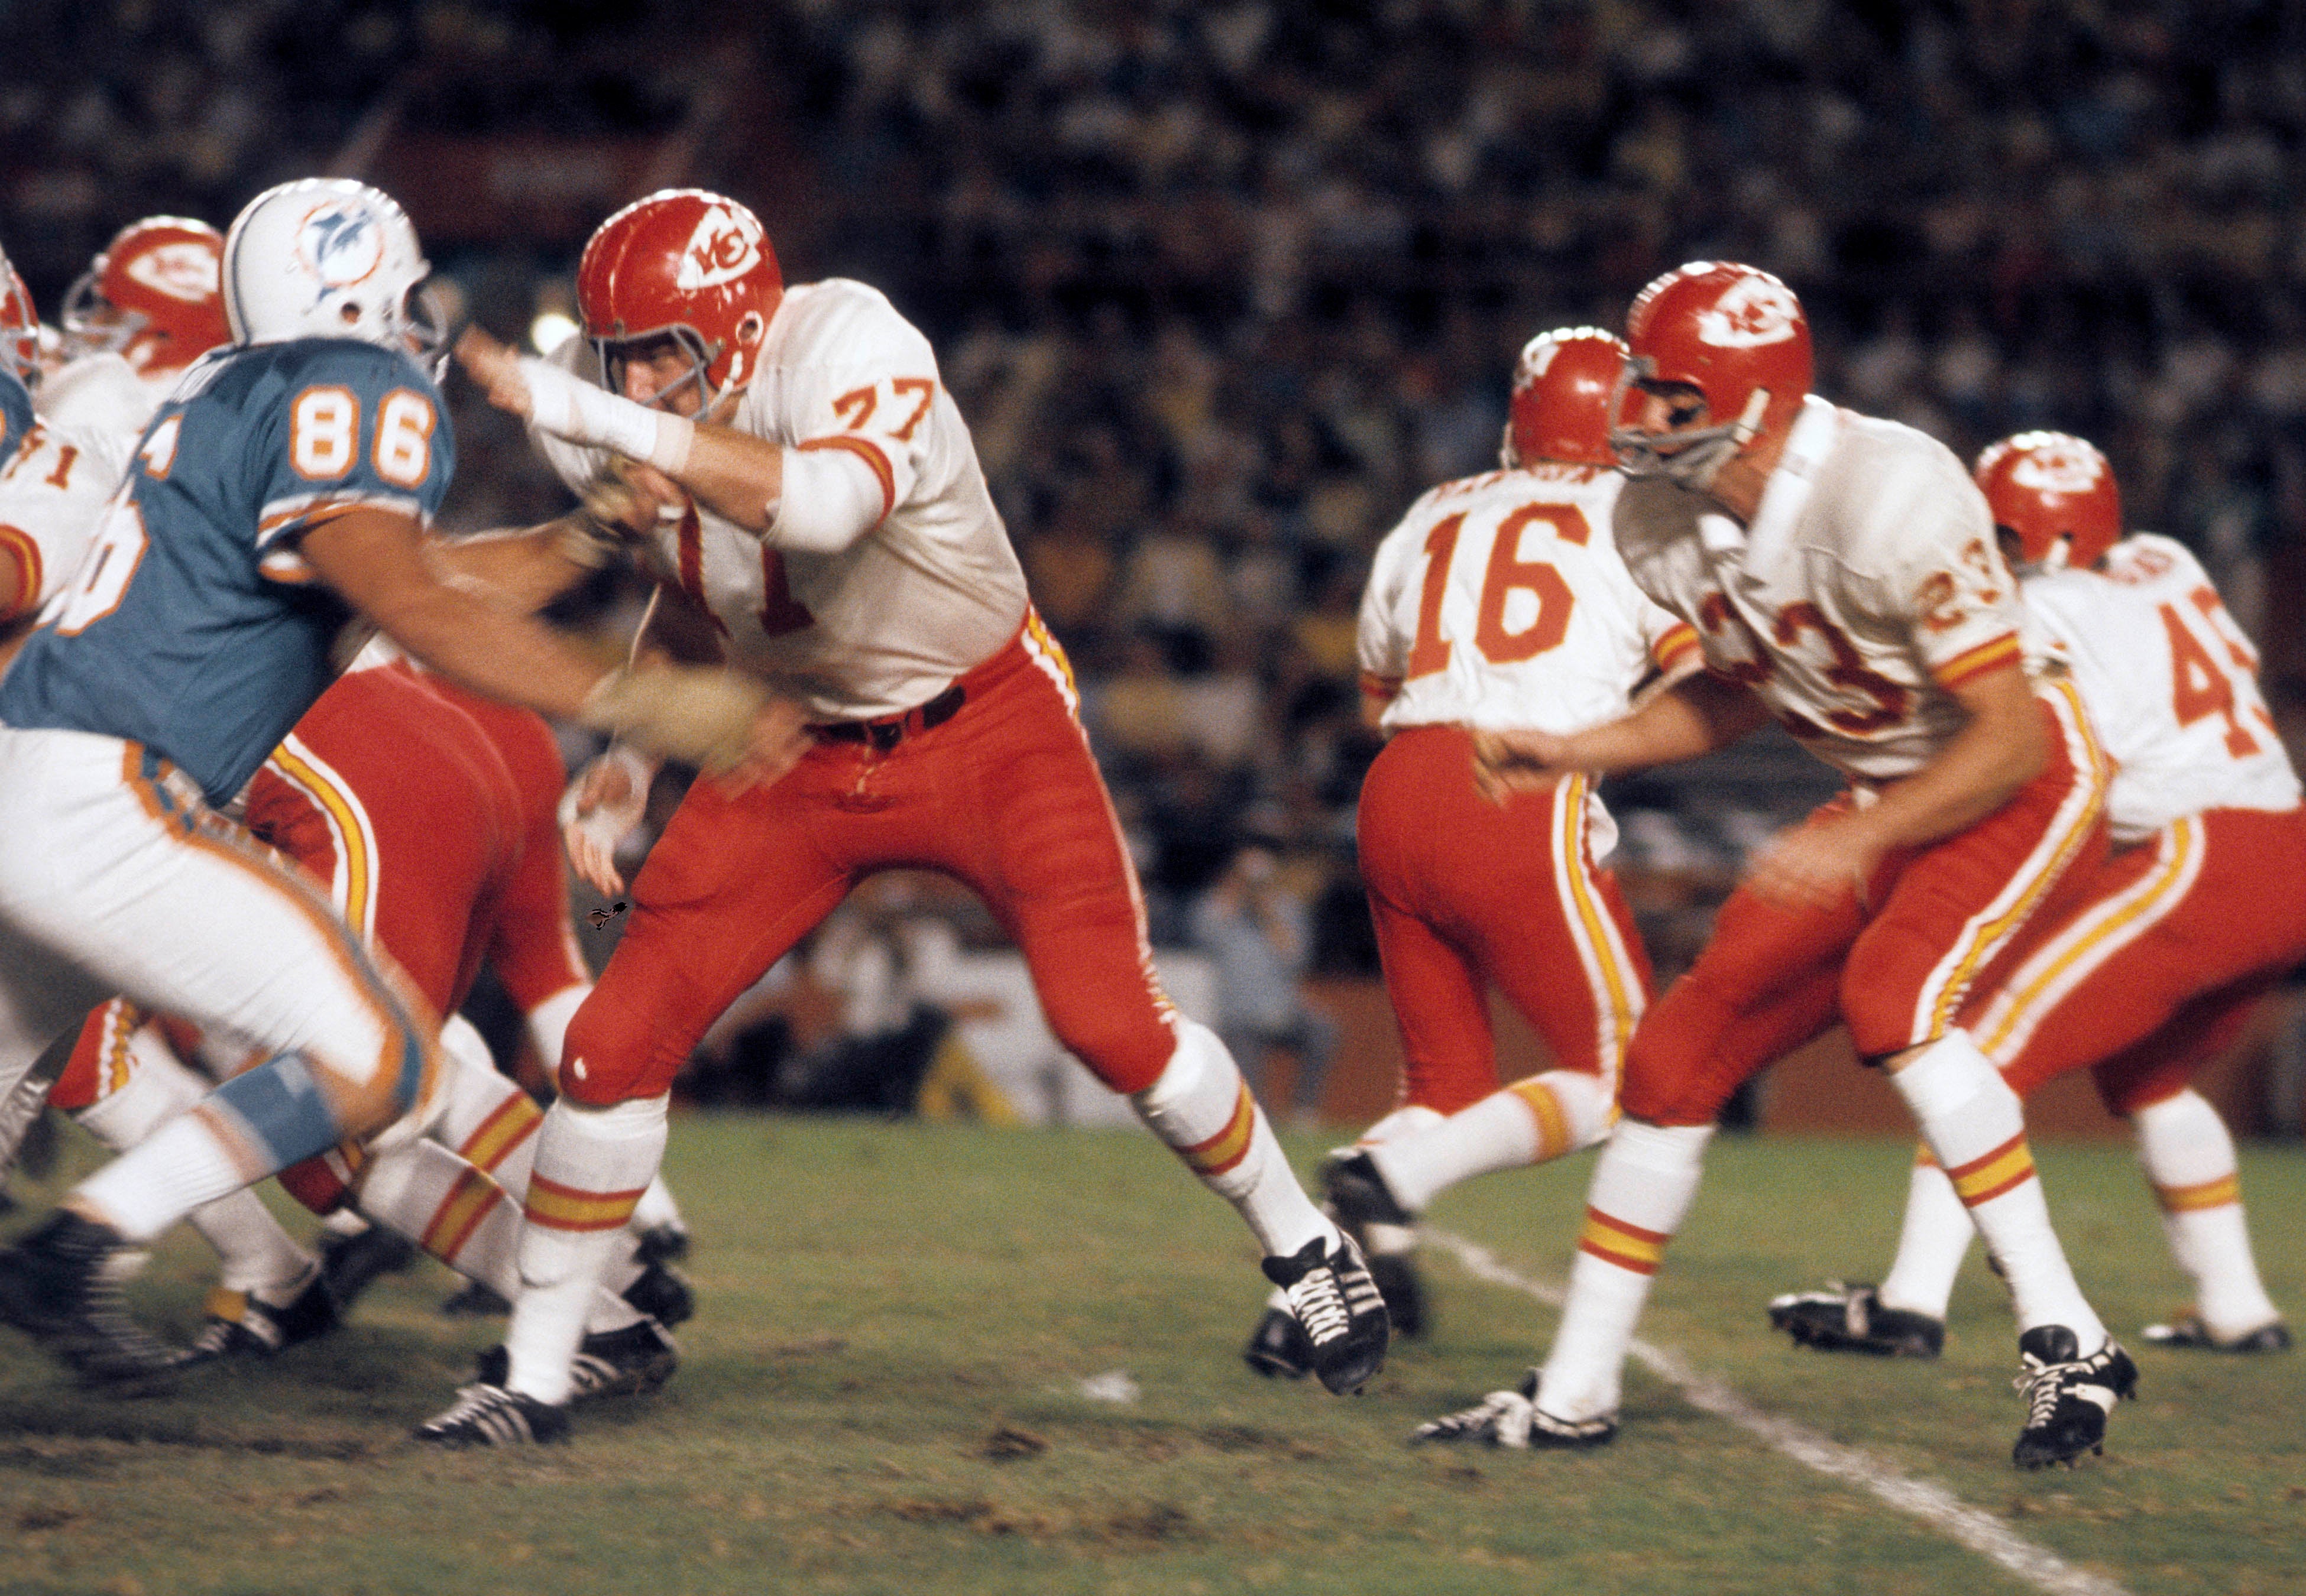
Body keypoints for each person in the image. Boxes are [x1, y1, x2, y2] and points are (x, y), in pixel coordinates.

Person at [438, 186, 1387, 1443]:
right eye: (621, 361)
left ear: (742, 324)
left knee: (1111, 1022)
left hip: (983, 724)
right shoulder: (625, 417)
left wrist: (582, 407)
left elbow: (820, 508)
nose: (642, 384)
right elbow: (693, 584)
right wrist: (629, 759)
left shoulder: (849, 341)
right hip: (789, 742)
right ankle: (540, 1375)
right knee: (614, 1044)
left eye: (665, 355)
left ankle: (1306, 1246)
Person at [0, 177, 796, 1396]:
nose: (419, 315)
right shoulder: (352, 387)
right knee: (387, 1062)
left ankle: (94, 1249)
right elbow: (414, 605)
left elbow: (413, 578)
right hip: (113, 794)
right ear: (360, 285)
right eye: (407, 287)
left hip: (28, 779)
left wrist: (582, 541)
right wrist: (636, 699)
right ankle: (79, 1246)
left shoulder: (223, 393)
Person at [1429, 262, 2129, 1470]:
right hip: (1888, 789)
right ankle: (1574, 1397)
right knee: (1675, 1055)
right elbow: (1734, 690)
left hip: (2017, 770)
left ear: (1759, 402)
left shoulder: (1892, 493)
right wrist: (1576, 748)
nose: (1640, 414)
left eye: (1673, 393)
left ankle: (2066, 1337)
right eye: (1641, 385)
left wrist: (1863, 833)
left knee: (1895, 996)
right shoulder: (1657, 519)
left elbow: (2010, 734)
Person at [1770, 432, 2300, 1358]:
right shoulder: (2163, 562)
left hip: (2207, 850)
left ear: (2024, 537)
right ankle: (2236, 1307)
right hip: (2282, 842)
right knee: (2148, 1076)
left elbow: (2029, 749)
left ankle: (1911, 1305)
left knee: (1980, 1052)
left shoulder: (2046, 607)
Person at [1243, 327, 1699, 1376]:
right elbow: (1692, 682)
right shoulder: (1639, 515)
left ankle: (1304, 1304)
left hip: (1400, 786)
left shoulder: (1435, 509)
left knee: (1442, 1083)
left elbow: (1375, 690)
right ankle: (1394, 1186)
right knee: (1632, 1076)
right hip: (1517, 783)